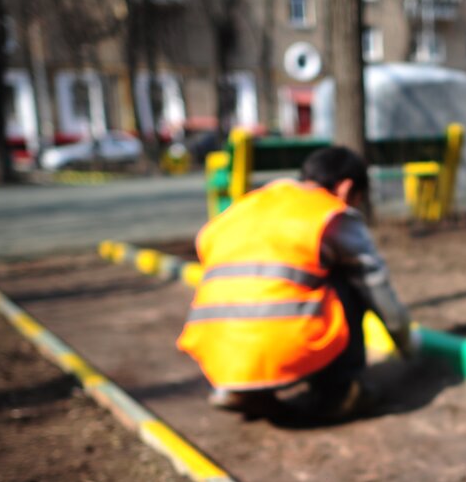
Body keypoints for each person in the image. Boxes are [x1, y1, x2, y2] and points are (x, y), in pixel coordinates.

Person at [177, 145, 415, 422]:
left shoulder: (245, 207)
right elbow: (377, 287)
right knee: (347, 278)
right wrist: (406, 344)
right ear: (347, 189)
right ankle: (341, 391)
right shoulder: (329, 214)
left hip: (213, 350)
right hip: (281, 345)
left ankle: (239, 388)